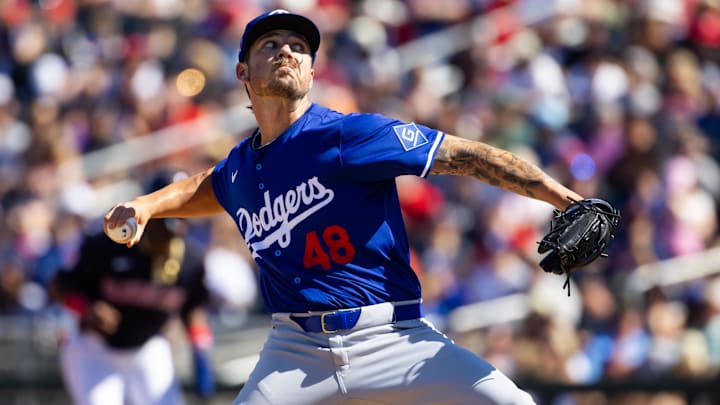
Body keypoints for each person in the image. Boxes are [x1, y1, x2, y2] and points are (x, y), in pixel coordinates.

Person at [104, 9, 585, 405]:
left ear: (313, 71)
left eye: (298, 46)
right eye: (270, 45)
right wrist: (146, 207)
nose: (287, 51)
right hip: (294, 352)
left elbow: (465, 155)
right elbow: (208, 185)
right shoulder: (240, 169)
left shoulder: (346, 136)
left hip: (391, 337)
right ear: (242, 72)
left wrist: (564, 199)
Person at [52, 171, 215, 405]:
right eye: (161, 224)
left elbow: (193, 308)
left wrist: (201, 352)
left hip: (146, 348)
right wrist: (86, 309)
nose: (167, 235)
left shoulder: (190, 259)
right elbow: (60, 285)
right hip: (95, 350)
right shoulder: (107, 244)